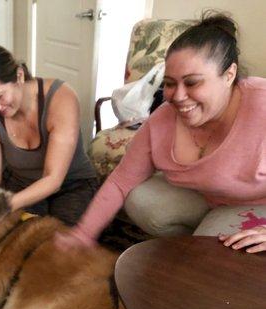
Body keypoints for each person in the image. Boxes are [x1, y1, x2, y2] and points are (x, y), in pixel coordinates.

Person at [57, 12, 266, 253]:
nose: (177, 97)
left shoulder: (260, 105)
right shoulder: (162, 121)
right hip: (207, 197)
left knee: (211, 265)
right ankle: (198, 239)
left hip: (255, 205)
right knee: (140, 200)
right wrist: (83, 234)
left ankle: (209, 241)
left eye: (192, 82)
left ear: (229, 75)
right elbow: (121, 180)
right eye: (169, 83)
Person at [0, 44, 98, 225]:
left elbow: (53, 179)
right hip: (20, 184)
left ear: (19, 76)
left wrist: (4, 206)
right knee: (13, 236)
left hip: (72, 185)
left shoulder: (61, 98)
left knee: (57, 241)